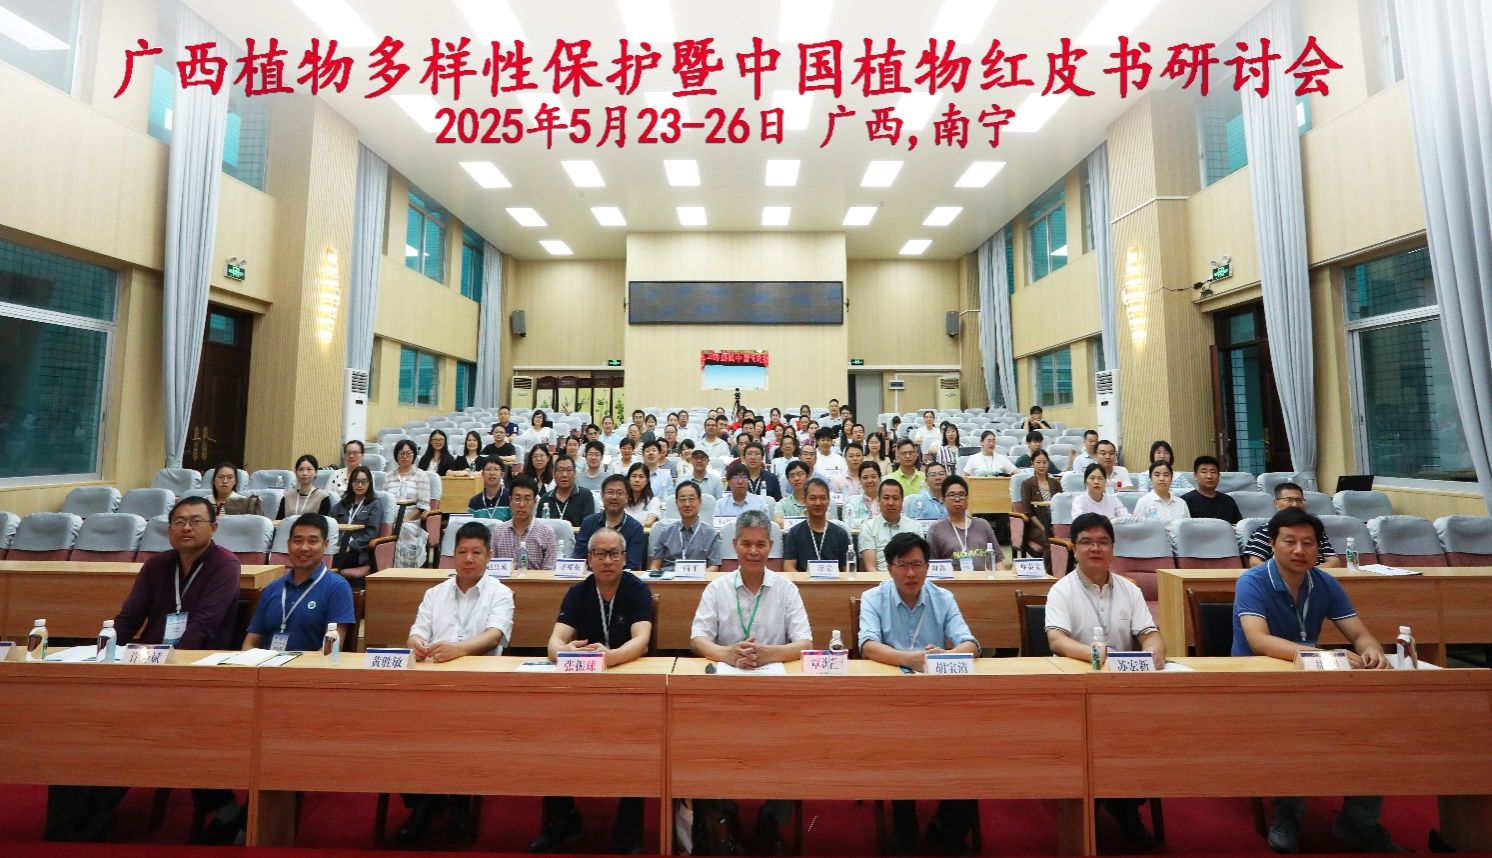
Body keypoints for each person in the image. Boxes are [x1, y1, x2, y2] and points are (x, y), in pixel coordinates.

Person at [47, 496, 244, 844]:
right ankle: (74, 821)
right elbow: (127, 620)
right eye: (178, 521)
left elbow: (202, 627)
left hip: (197, 674)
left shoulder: (224, 565)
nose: (186, 527)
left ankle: (92, 814)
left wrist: (162, 673)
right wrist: (100, 659)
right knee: (79, 717)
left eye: (195, 521)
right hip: (145, 668)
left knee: (134, 725)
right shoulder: (157, 566)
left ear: (213, 527)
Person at [1231, 508, 1402, 854]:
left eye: (1308, 543)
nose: (1300, 550)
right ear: (1273, 544)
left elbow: (1359, 634)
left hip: (1311, 679)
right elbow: (1259, 641)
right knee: (1296, 727)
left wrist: (1372, 650)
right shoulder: (1252, 581)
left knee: (1376, 725)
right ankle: (1288, 814)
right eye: (1290, 541)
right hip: (1258, 684)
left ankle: (1357, 824)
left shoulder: (1324, 582)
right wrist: (1323, 655)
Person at [687, 509, 812, 854]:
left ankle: (771, 819)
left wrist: (769, 654)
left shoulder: (786, 589)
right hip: (724, 696)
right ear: (735, 545)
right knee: (701, 739)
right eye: (746, 544)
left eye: (760, 544)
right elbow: (698, 638)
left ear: (771, 546)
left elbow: (805, 642)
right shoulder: (717, 588)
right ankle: (724, 813)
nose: (753, 551)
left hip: (776, 697)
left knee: (795, 742)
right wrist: (725, 654)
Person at [1044, 512, 1165, 848]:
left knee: (1149, 735)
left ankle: (1123, 803)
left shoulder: (1129, 590)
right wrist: (1098, 656)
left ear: (1113, 547)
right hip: (1075, 693)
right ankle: (1108, 806)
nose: (1095, 548)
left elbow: (1149, 633)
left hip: (1123, 692)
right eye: (1086, 542)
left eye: (1102, 542)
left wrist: (1155, 651)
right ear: (1073, 548)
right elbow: (1057, 641)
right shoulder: (1061, 590)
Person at [857, 532, 979, 855]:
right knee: (899, 745)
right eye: (902, 565)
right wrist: (909, 659)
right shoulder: (873, 598)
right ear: (890, 568)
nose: (910, 573)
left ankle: (946, 828)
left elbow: (971, 644)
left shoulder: (943, 597)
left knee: (972, 748)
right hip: (890, 702)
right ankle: (904, 821)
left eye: (917, 565)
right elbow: (868, 645)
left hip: (939, 700)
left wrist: (945, 657)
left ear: (927, 566)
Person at [534, 528, 653, 854]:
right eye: (600, 554)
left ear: (625, 558)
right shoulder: (578, 592)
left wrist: (607, 658)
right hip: (583, 688)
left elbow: (641, 642)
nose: (607, 560)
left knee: (639, 742)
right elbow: (553, 643)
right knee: (549, 733)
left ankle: (627, 828)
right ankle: (563, 821)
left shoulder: (637, 590)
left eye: (614, 554)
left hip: (629, 689)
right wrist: (567, 652)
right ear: (589, 559)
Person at [399, 521, 516, 847]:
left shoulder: (501, 593)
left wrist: (459, 650)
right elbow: (416, 633)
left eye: (476, 552)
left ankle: (460, 802)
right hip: (431, 686)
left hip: (480, 688)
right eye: (462, 551)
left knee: (463, 731)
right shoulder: (434, 593)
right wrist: (416, 644)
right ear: (453, 555)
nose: (468, 558)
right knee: (397, 726)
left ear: (489, 556)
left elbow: (494, 635)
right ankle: (426, 800)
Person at [244, 514, 355, 651]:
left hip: (310, 664)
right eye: (297, 541)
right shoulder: (272, 588)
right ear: (288, 544)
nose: (304, 548)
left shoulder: (337, 587)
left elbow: (331, 649)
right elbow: (250, 643)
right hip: (267, 662)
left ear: (325, 545)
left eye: (312, 542)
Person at [1243, 482, 1342, 568]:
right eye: (1289, 500)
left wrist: (1309, 574)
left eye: (1299, 500)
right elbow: (1254, 563)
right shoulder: (1265, 530)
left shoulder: (1313, 529)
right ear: (1276, 503)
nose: (1295, 505)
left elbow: (1334, 561)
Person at [573, 474, 647, 571]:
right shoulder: (589, 522)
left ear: (627, 497)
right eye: (610, 492)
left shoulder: (635, 528)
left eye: (619, 493)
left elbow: (633, 565)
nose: (614, 497)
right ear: (602, 496)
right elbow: (579, 559)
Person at [648, 480, 723, 575]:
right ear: (676, 503)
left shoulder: (710, 533)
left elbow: (714, 566)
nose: (687, 504)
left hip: (699, 580)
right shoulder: (666, 532)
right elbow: (655, 565)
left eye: (691, 499)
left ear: (700, 502)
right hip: (669, 580)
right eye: (682, 499)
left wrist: (697, 577)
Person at [926, 475, 999, 569]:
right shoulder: (936, 529)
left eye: (961, 494)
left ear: (967, 498)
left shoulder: (983, 525)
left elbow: (998, 560)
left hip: (982, 578)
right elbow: (931, 566)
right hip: (951, 579)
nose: (957, 499)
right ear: (943, 500)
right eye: (952, 495)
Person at [783, 478, 853, 573]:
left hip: (835, 582)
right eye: (812, 498)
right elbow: (788, 567)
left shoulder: (840, 534)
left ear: (828, 501)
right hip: (804, 581)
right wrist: (804, 580)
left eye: (822, 498)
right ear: (804, 500)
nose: (818, 503)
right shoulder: (794, 533)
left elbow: (847, 570)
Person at [491, 475, 558, 572]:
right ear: (510, 500)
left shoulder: (547, 533)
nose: (522, 504)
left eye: (527, 499)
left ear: (535, 502)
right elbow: (491, 568)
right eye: (517, 498)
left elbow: (549, 572)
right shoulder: (498, 532)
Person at [859, 479, 926, 573]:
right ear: (879, 500)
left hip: (909, 577)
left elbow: (919, 563)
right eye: (886, 498)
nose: (891, 503)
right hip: (879, 578)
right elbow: (870, 567)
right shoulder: (868, 527)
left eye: (895, 498)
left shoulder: (915, 527)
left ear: (902, 501)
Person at [388, 439, 434, 567]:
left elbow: (422, 505)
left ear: (414, 455)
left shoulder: (421, 475)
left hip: (411, 522)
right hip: (390, 520)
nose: (405, 456)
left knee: (401, 528)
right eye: (401, 453)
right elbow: (385, 503)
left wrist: (403, 520)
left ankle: (403, 570)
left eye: (408, 453)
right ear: (396, 455)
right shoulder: (389, 476)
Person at [331, 465, 383, 575]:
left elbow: (372, 534)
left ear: (369, 483)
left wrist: (350, 546)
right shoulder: (343, 503)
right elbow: (329, 524)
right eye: (356, 481)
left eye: (364, 482)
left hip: (358, 552)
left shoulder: (374, 505)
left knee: (330, 561)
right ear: (351, 483)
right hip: (337, 548)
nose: (360, 485)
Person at [1018, 450, 1063, 562]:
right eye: (1038, 462)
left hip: (1054, 524)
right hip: (1036, 527)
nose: (1042, 466)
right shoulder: (1027, 484)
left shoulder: (1055, 483)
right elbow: (1028, 511)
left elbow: (1061, 507)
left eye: (1044, 462)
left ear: (1048, 463)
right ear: (1032, 464)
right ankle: (1049, 570)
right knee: (1051, 541)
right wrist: (1044, 528)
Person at [1181, 455, 1243, 525]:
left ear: (1219, 476)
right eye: (1204, 472)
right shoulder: (1184, 502)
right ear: (1195, 476)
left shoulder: (1228, 501)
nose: (1209, 476)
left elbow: (1238, 526)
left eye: (1213, 472)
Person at [541, 456, 596, 527]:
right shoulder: (545, 498)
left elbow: (589, 527)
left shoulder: (585, 496)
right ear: (554, 474)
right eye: (560, 470)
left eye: (569, 470)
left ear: (575, 474)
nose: (564, 474)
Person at [1132, 461, 1192, 525]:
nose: (1162, 479)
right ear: (1150, 478)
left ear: (1171, 478)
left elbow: (1187, 527)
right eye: (1157, 475)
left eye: (1166, 475)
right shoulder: (1143, 502)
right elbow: (1138, 528)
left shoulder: (1181, 503)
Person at [277, 454, 332, 518]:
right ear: (295, 472)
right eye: (301, 469)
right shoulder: (287, 497)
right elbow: (278, 522)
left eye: (309, 469)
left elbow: (323, 522)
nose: (304, 473)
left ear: (316, 472)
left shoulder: (322, 497)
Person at [841, 461, 882, 531]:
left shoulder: (887, 501)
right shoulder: (851, 502)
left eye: (873, 477)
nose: (870, 481)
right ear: (860, 480)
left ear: (880, 478)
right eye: (865, 477)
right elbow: (848, 524)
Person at [623, 461, 662, 527]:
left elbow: (649, 522)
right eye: (634, 476)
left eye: (641, 476)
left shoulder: (653, 501)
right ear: (628, 479)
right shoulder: (621, 500)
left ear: (647, 481)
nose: (637, 480)